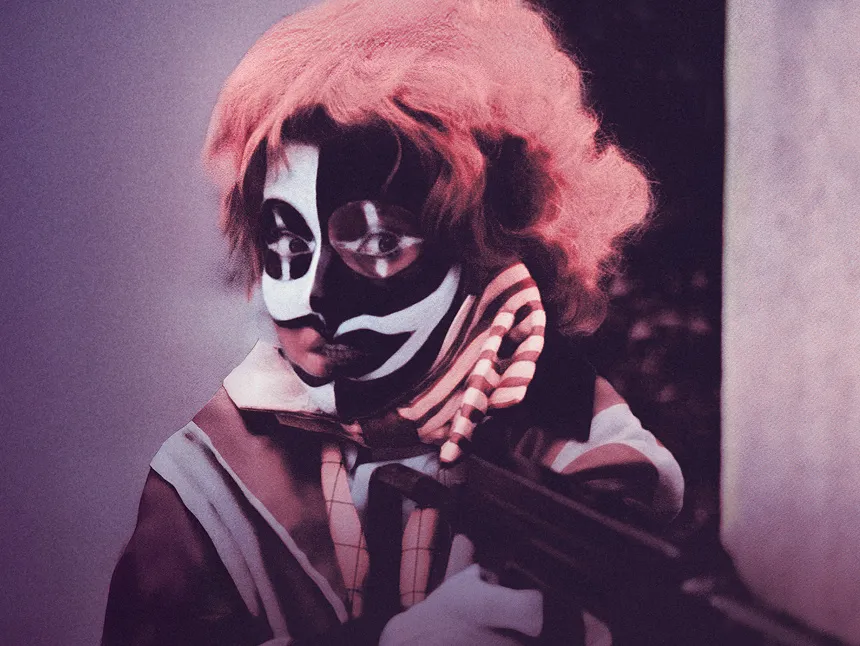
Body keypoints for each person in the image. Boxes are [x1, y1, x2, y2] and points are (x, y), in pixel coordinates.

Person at [102, 0, 684, 644]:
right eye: (288, 246)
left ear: (490, 244)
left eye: (379, 243)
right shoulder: (203, 483)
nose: (317, 296)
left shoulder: (577, 434)